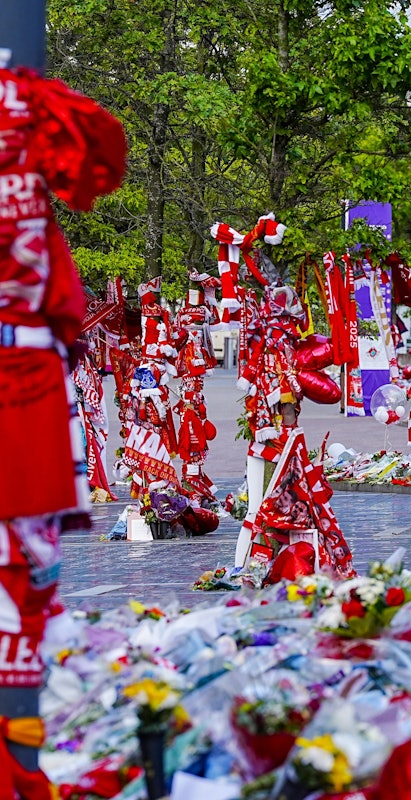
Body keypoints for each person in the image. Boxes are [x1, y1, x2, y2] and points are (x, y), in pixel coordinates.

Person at [0, 60, 125, 798]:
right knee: (23, 554)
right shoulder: (26, 103)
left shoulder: (25, 104)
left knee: (26, 555)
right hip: (25, 372)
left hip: (30, 375)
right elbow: (97, 164)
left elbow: (95, 166)